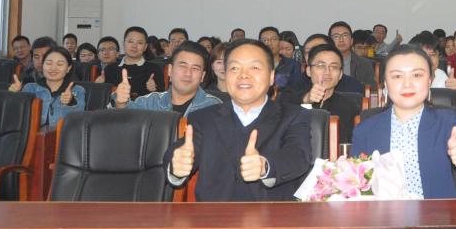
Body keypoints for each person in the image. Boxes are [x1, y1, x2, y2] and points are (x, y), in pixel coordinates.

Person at [165, 39, 312, 202]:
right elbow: (181, 150)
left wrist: (265, 166)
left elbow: (297, 156)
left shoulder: (294, 115)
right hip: (214, 214)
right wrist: (176, 165)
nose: (243, 75)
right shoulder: (203, 118)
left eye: (254, 67)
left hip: (271, 214)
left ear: (271, 77)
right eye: (235, 68)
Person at [352, 44, 456, 199]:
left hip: (436, 212)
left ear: (429, 80)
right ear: (385, 83)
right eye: (397, 76)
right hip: (383, 212)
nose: (407, 84)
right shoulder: (365, 130)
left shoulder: (447, 120)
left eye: (416, 75)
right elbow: (356, 184)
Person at [277, 43, 361, 144]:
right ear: (308, 71)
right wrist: (307, 100)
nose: (327, 72)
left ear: (340, 75)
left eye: (334, 67)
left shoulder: (351, 107)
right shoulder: (288, 96)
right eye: (321, 66)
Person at [114, 41, 221, 117]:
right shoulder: (149, 103)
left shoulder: (215, 107)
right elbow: (123, 125)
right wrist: (120, 104)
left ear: (202, 76)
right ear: (170, 70)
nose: (188, 73)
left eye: (195, 68)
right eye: (182, 66)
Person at [10, 46, 86, 127]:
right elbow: (16, 116)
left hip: (62, 135)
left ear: (68, 68)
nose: (53, 68)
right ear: (43, 66)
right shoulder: (30, 88)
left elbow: (78, 120)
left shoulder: (77, 90)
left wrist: (71, 102)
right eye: (49, 63)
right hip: (32, 134)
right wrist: (14, 95)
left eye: (60, 64)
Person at [104, 26, 165, 98]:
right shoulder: (110, 69)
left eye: (139, 43)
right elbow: (104, 98)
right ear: (123, 44)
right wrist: (99, 86)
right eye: (130, 41)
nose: (134, 46)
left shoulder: (154, 69)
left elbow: (162, 99)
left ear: (145, 47)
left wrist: (154, 90)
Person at [329, 21, 375, 87]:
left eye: (345, 35)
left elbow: (370, 88)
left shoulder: (365, 64)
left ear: (351, 41)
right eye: (336, 36)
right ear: (330, 41)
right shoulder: (322, 64)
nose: (341, 40)